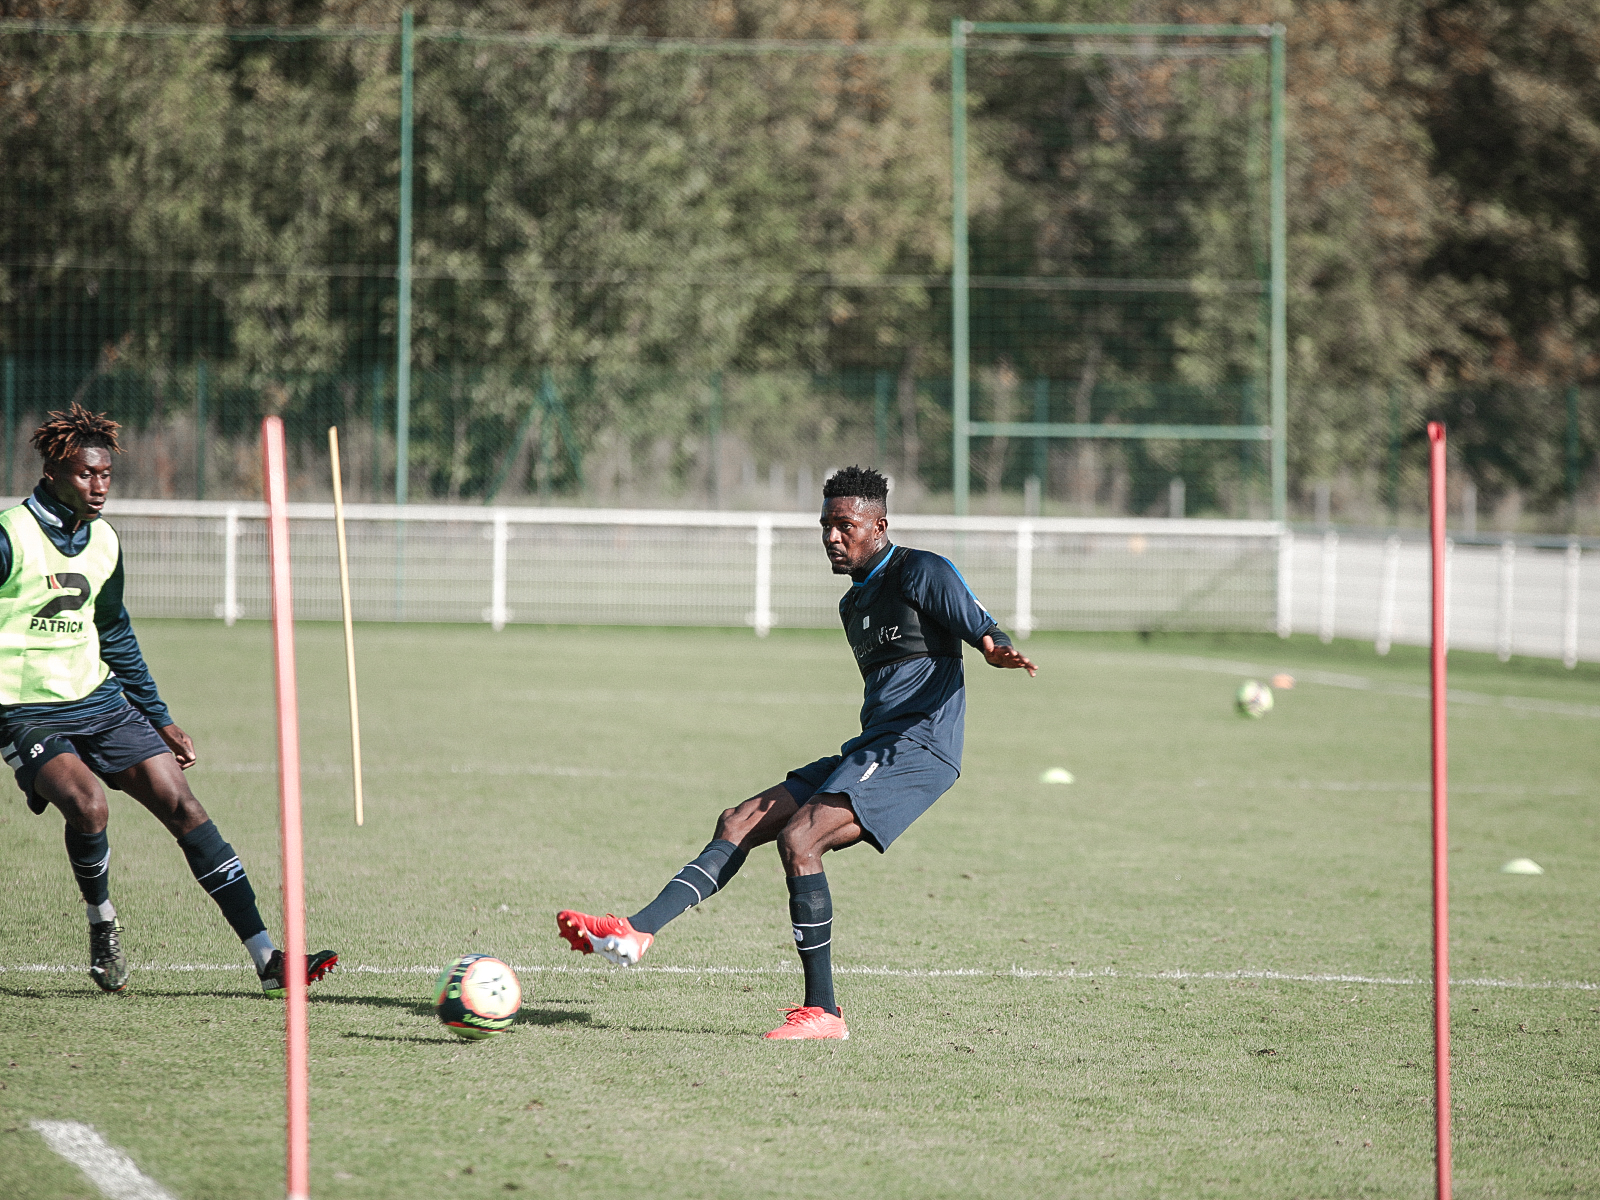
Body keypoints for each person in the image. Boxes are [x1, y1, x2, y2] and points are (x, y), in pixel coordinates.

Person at [557, 465, 1036, 1039]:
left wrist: (998, 650)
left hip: (919, 747)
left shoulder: (922, 570)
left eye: (846, 525)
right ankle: (636, 931)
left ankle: (824, 1012)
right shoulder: (851, 605)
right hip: (872, 746)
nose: (833, 537)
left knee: (801, 837)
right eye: (825, 526)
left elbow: (983, 628)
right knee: (740, 819)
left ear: (879, 525)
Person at [2, 403, 337, 997]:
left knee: (182, 804)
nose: (99, 485)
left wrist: (159, 717)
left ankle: (267, 959)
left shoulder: (104, 542)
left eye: (105, 474)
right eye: (85, 474)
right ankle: (102, 924)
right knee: (90, 806)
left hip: (99, 699)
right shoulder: (10, 537)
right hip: (24, 708)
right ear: (52, 473)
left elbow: (116, 633)